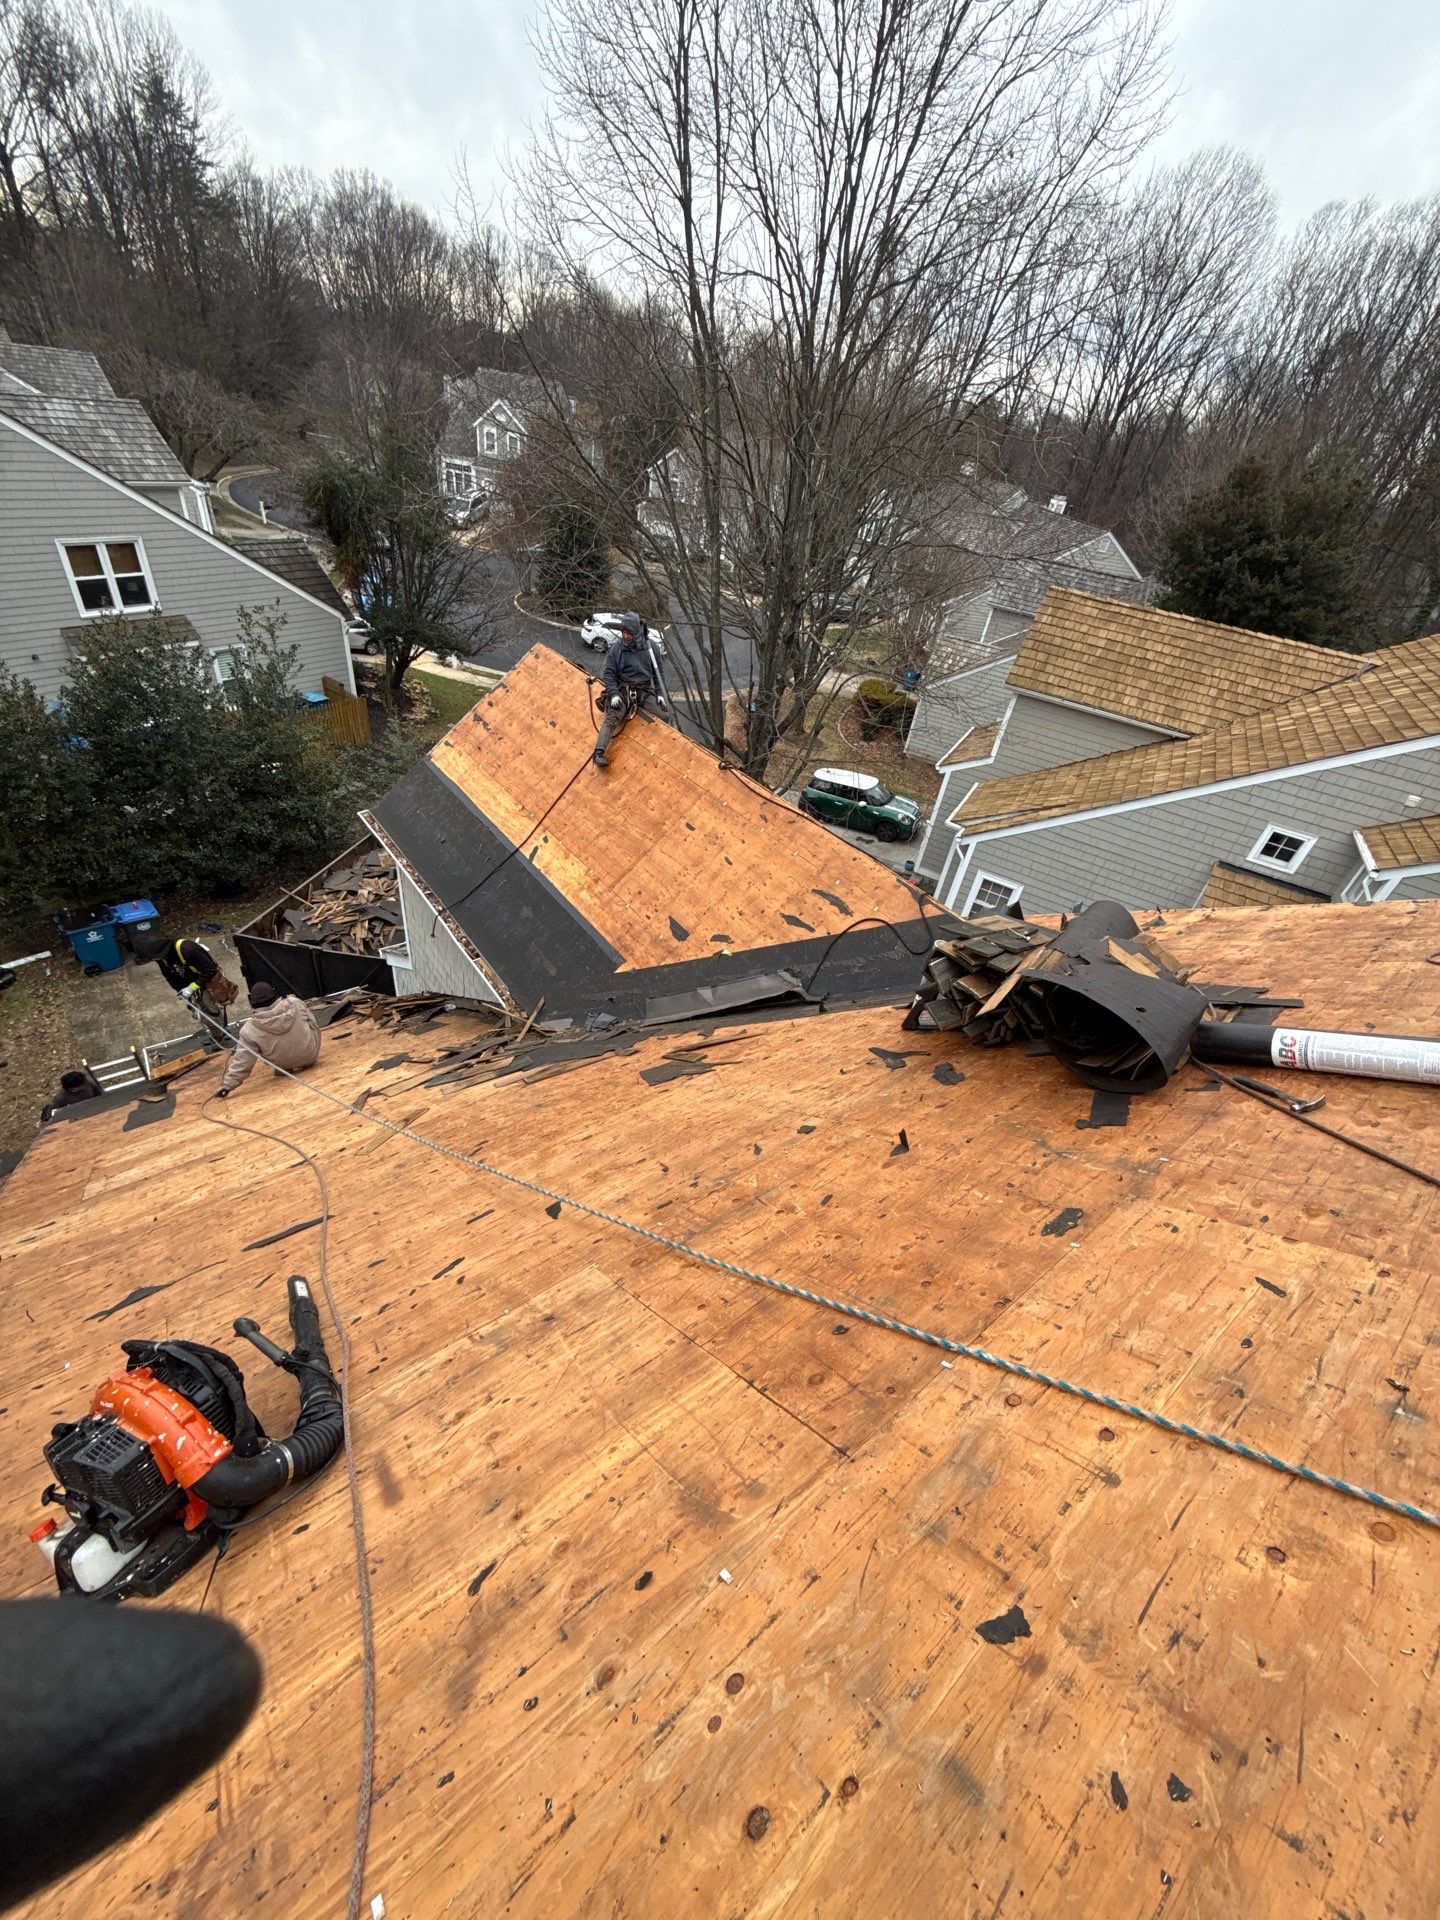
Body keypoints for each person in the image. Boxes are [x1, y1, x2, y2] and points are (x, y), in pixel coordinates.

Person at [217, 980, 321, 1098]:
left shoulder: (249, 1029)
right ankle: (301, 1058)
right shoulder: (296, 1003)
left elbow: (243, 1060)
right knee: (309, 1022)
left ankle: (287, 1064)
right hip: (311, 1055)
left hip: (283, 1066)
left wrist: (227, 1086)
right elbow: (313, 1024)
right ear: (273, 994)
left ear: (252, 1001)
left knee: (255, 1045)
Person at [593, 610, 663, 768]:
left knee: (665, 715)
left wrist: (660, 693)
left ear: (636, 632)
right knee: (612, 718)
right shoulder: (617, 649)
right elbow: (608, 673)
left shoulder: (651, 649)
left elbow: (659, 673)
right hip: (623, 690)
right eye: (623, 632)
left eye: (628, 632)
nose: (625, 636)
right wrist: (614, 694)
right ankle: (599, 753)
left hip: (644, 690)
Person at [133, 932, 237, 1033]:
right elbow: (169, 976)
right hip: (190, 983)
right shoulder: (161, 957)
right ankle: (218, 1030)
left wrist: (192, 987)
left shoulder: (188, 949)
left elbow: (210, 970)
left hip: (207, 979)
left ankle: (219, 1035)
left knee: (210, 1015)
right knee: (201, 1011)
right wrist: (181, 991)